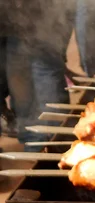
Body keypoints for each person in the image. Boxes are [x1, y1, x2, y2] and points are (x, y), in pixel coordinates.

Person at [0, 0, 75, 147]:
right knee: (35, 73)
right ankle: (54, 142)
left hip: (25, 16)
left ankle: (40, 141)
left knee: (34, 73)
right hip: (38, 16)